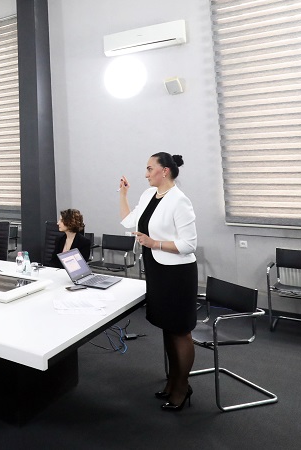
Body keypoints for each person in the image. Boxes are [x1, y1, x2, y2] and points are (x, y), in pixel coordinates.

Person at [119, 152, 197, 412]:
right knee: (167, 328)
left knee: (180, 331)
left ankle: (182, 387)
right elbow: (129, 222)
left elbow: (189, 244)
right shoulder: (147, 195)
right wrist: (123, 194)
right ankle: (172, 381)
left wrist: (155, 243)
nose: (146, 174)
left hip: (177, 274)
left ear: (165, 171)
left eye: (150, 168)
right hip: (157, 270)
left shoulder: (180, 200)